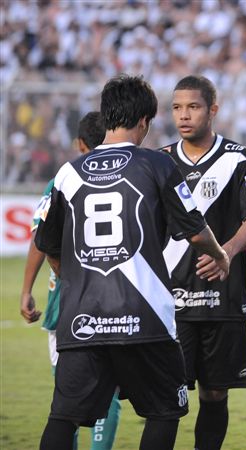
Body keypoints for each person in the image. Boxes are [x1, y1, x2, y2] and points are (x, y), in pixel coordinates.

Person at [34, 74, 230, 450]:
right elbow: (194, 231)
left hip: (83, 320)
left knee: (63, 417)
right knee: (164, 412)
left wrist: (75, 281)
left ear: (107, 115)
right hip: (145, 317)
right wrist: (220, 255)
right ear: (144, 121)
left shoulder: (68, 173)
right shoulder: (157, 165)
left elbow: (46, 243)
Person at [161, 75, 246, 450]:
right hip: (169, 300)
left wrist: (226, 251)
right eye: (177, 108)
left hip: (222, 298)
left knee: (214, 393)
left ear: (213, 110)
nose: (183, 115)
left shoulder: (241, 158)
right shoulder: (160, 161)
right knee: (168, 396)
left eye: (193, 107)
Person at [21, 111, 122, 450]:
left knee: (66, 395)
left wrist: (26, 290)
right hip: (115, 299)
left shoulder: (63, 179)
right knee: (109, 391)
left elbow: (41, 237)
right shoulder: (128, 177)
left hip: (65, 302)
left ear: (80, 144)